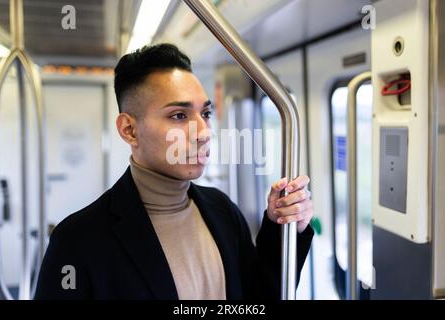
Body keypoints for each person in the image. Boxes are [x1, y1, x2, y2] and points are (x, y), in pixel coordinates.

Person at [34, 43, 314, 300]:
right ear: (129, 130)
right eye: (179, 116)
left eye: (205, 114)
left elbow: (258, 298)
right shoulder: (77, 241)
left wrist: (283, 226)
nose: (204, 132)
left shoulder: (222, 210)